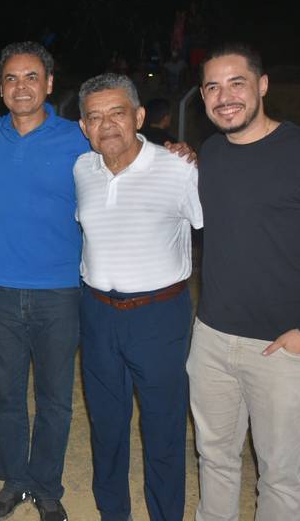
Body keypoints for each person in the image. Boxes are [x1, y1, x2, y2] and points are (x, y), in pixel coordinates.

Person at [187, 43, 300, 521]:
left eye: (236, 83)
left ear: (262, 86)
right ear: (202, 98)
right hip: (212, 340)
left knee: (280, 475)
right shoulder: (212, 153)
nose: (225, 97)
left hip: (282, 347)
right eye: (212, 87)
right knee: (215, 460)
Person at [75, 73, 202, 521]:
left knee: (163, 431)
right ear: (83, 127)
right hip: (97, 315)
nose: (106, 124)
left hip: (159, 318)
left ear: (140, 117)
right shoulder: (82, 169)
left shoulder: (179, 168)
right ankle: (114, 514)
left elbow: (231, 223)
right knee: (106, 430)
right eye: (95, 117)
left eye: (117, 113)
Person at [0, 42, 90, 521]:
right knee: (6, 395)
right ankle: (14, 481)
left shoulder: (80, 136)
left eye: (31, 77)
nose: (21, 87)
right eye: (11, 78)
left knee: (55, 398)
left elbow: (136, 152)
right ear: (1, 88)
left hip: (62, 292)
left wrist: (184, 151)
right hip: (0, 289)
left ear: (48, 84)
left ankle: (45, 485)